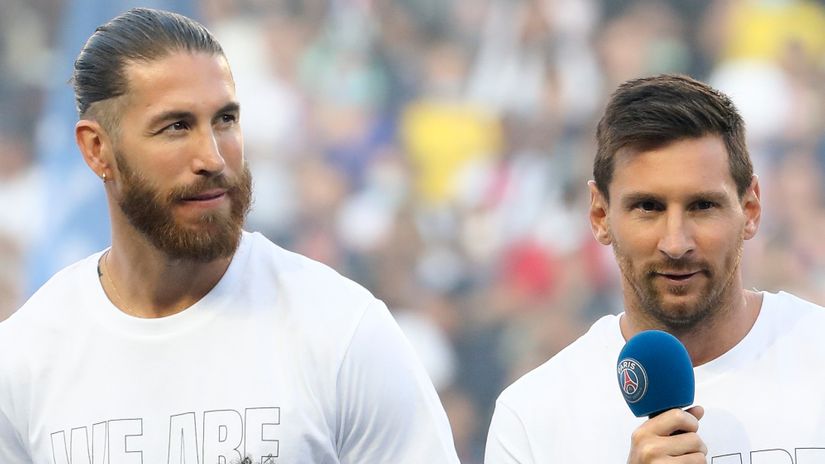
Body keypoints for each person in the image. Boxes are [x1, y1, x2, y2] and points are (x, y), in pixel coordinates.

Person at [0, 8, 460, 464]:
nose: (213, 157)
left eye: (225, 120)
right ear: (97, 149)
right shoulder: (25, 359)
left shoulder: (341, 332)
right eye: (176, 126)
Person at [484, 74, 825, 463]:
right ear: (600, 215)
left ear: (750, 209)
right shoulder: (532, 418)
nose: (676, 243)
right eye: (648, 207)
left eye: (702, 206)